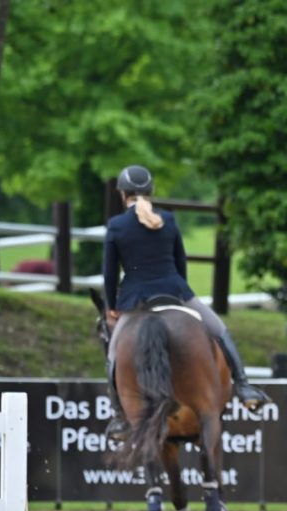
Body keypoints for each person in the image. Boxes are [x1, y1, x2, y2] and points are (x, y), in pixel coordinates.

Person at [101, 164, 270, 440]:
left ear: (123, 194)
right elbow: (181, 262)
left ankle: (119, 417)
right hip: (176, 291)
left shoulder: (117, 226)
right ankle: (243, 387)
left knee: (114, 354)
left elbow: (109, 273)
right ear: (150, 191)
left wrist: (112, 304)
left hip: (136, 301)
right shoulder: (167, 218)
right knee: (218, 329)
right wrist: (180, 294)